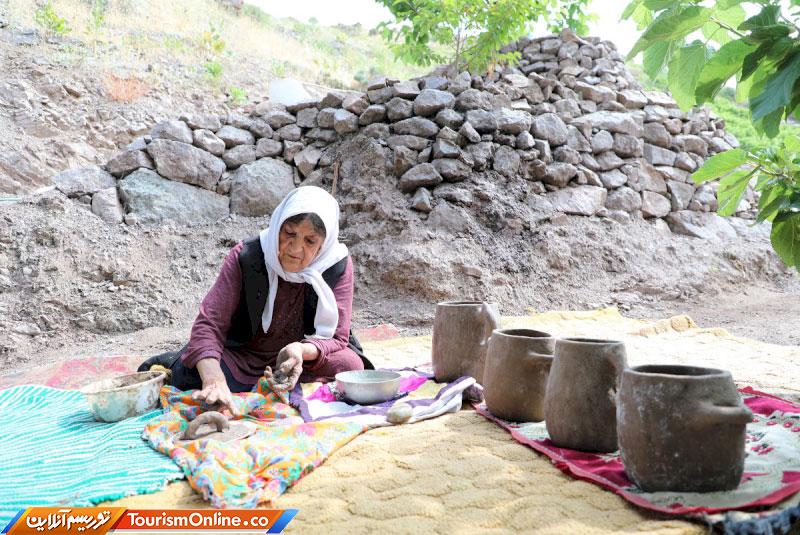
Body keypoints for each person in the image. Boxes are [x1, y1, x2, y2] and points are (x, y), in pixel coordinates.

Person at [138, 186, 372, 409]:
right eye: (289, 233)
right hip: (243, 356)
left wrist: (300, 351)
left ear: (324, 244)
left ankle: (275, 381)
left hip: (300, 361)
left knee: (350, 366)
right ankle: (251, 384)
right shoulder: (248, 256)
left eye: (310, 241)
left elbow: (339, 338)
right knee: (190, 373)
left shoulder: (336, 264)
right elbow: (209, 325)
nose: (295, 248)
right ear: (278, 224)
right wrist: (214, 381)